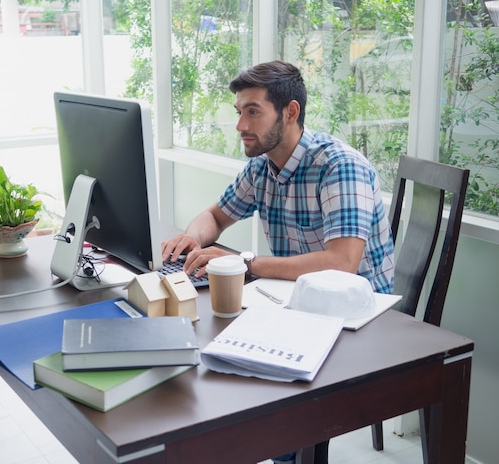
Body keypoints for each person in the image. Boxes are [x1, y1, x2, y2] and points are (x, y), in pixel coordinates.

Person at [161, 60, 395, 464]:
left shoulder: (339, 167)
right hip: (294, 301)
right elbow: (215, 216)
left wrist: (248, 262)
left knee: (260, 399)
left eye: (253, 111)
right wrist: (191, 237)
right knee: (212, 357)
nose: (240, 125)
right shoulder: (263, 165)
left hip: (358, 314)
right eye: (239, 112)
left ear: (290, 112)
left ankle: (283, 448)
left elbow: (342, 264)